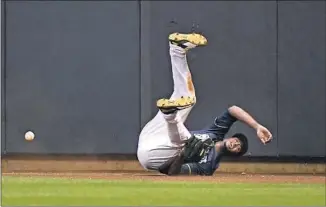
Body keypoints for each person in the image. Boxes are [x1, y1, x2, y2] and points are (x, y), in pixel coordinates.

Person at [137, 32, 273, 176]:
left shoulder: (210, 164)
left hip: (154, 158)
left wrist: (182, 155)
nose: (235, 144)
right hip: (152, 137)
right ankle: (177, 49)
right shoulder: (215, 133)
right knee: (188, 98)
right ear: (231, 137)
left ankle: (172, 117)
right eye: (237, 141)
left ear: (234, 154)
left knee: (183, 142)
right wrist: (257, 126)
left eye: (238, 148)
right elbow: (233, 110)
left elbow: (172, 173)